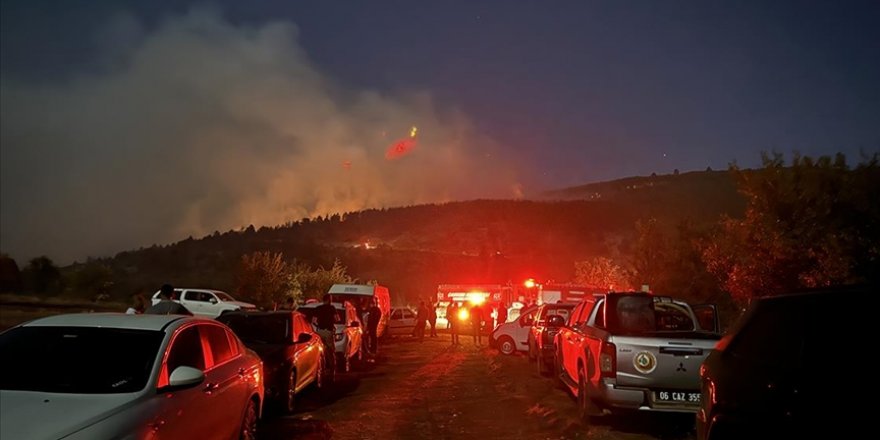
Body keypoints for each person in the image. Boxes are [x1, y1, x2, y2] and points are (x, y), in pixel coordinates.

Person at [313, 295, 338, 372]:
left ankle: (322, 366)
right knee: (331, 351)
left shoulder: (319, 308)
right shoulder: (332, 308)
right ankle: (332, 367)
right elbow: (337, 318)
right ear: (328, 300)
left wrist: (317, 325)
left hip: (320, 331)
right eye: (330, 299)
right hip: (328, 331)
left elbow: (314, 320)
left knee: (321, 350)